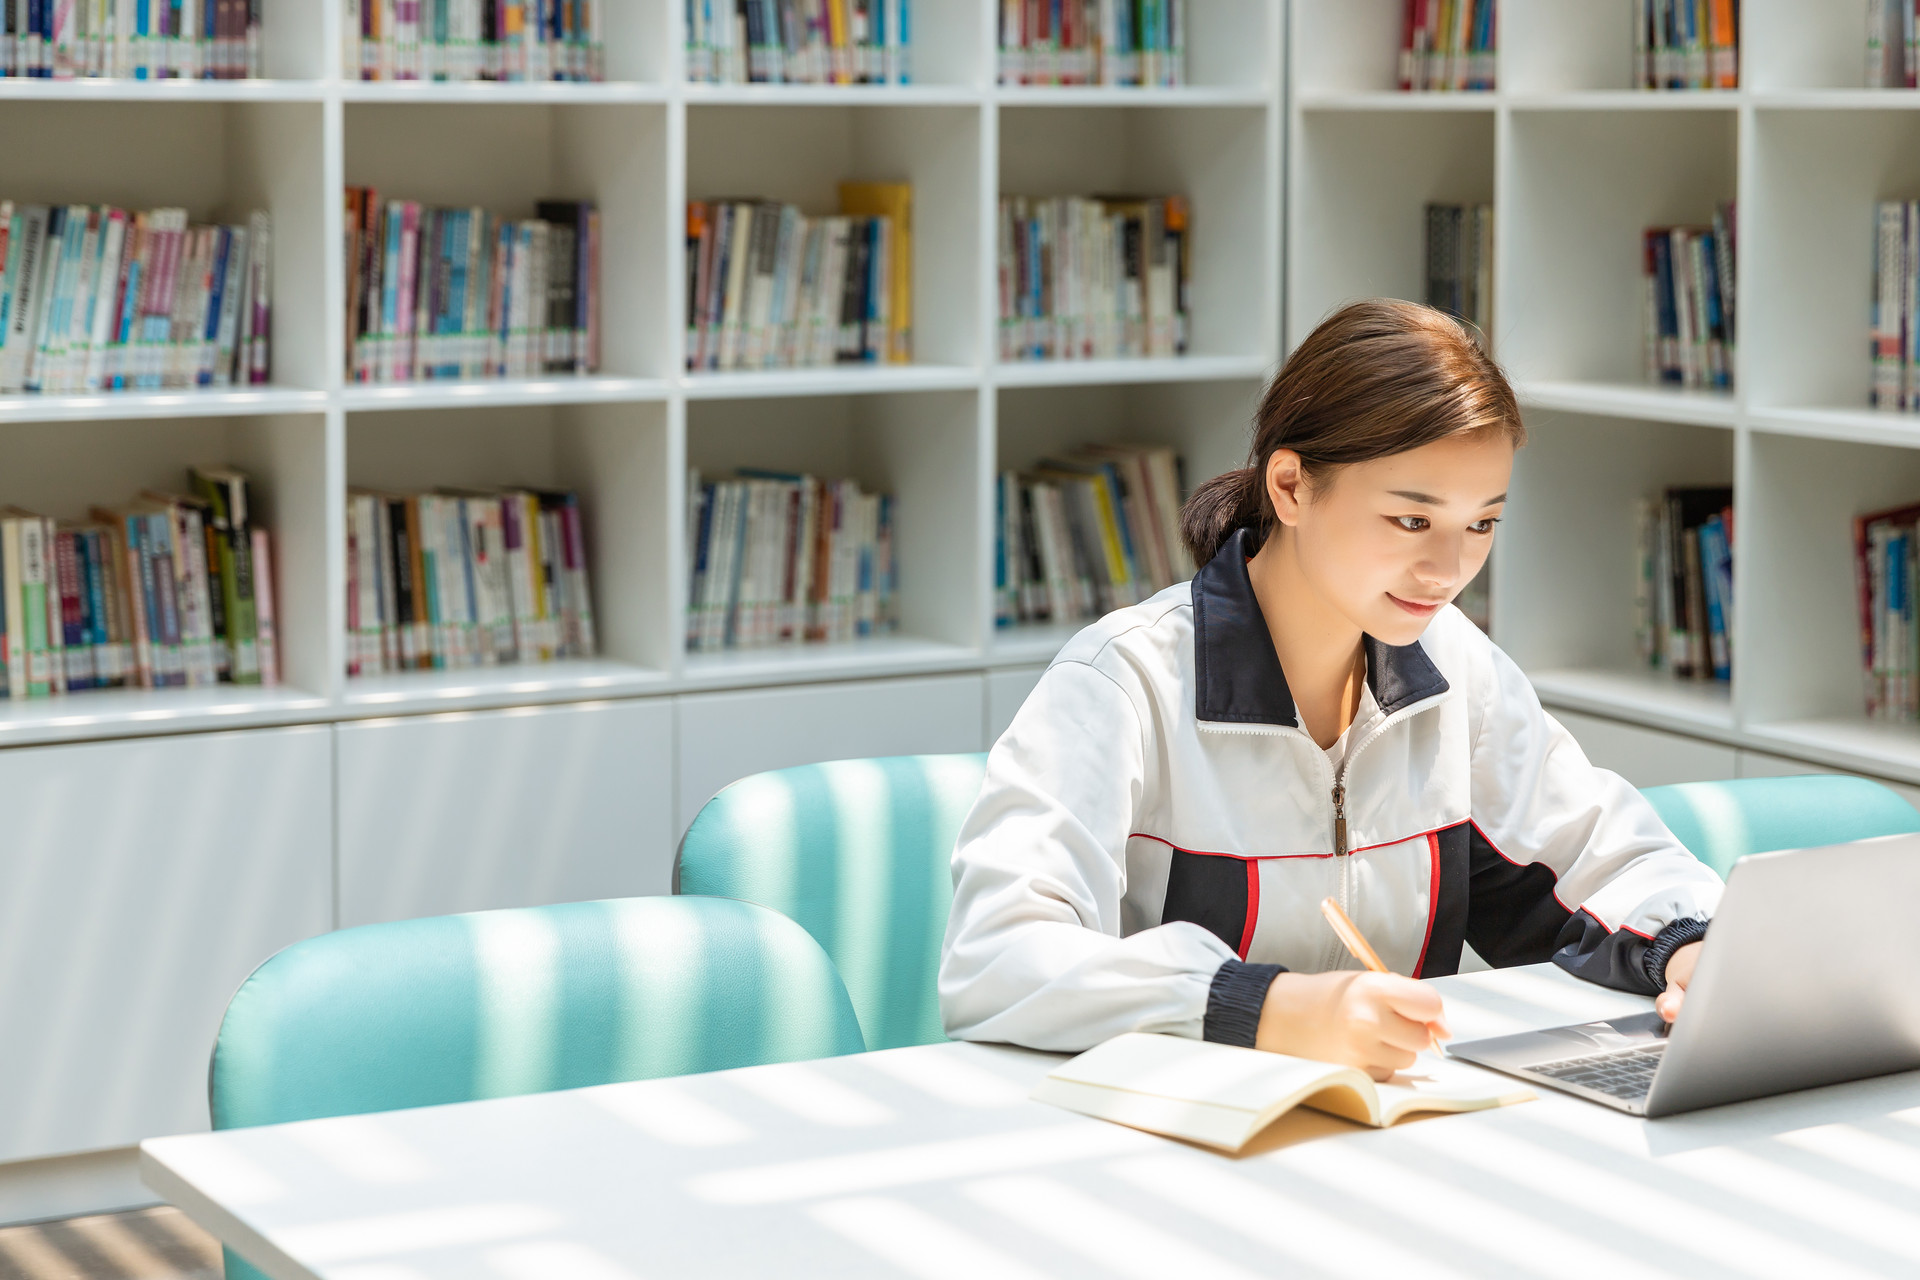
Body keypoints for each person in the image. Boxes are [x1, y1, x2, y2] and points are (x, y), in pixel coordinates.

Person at [939, 300, 1720, 1081]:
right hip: (1172, 1125)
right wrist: (1260, 1006)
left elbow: (1603, 855)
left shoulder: (1455, 668)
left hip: (1390, 1125)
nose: (1448, 570)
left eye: (1482, 524)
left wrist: (1689, 951)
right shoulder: (1123, 682)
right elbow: (996, 956)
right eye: (1411, 521)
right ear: (1290, 487)